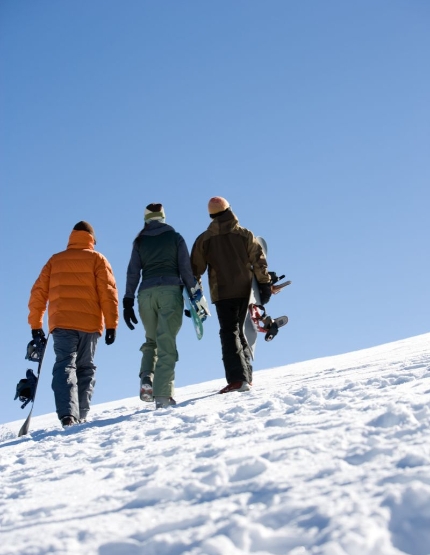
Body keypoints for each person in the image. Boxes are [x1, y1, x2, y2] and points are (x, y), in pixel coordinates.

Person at [28, 221, 119, 427]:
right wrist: (112, 324)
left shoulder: (55, 260)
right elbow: (108, 294)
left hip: (62, 324)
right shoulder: (98, 259)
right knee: (85, 368)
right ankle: (81, 415)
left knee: (64, 365)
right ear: (92, 239)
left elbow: (38, 294)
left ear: (71, 238)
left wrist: (36, 324)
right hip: (90, 324)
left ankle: (69, 414)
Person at [190, 197, 272, 394]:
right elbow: (259, 260)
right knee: (239, 331)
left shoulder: (205, 239)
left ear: (211, 215)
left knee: (229, 332)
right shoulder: (245, 234)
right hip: (245, 290)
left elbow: (194, 270)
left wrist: (194, 298)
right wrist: (264, 283)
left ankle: (238, 379)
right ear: (230, 210)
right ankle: (246, 376)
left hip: (223, 292)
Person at [123, 203, 196, 409]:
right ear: (163, 218)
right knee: (166, 343)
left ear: (146, 219)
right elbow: (185, 269)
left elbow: (132, 272)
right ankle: (163, 395)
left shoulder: (139, 241)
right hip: (169, 292)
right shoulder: (175, 238)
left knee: (151, 340)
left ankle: (147, 375)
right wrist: (194, 297)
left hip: (145, 295)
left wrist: (128, 300)